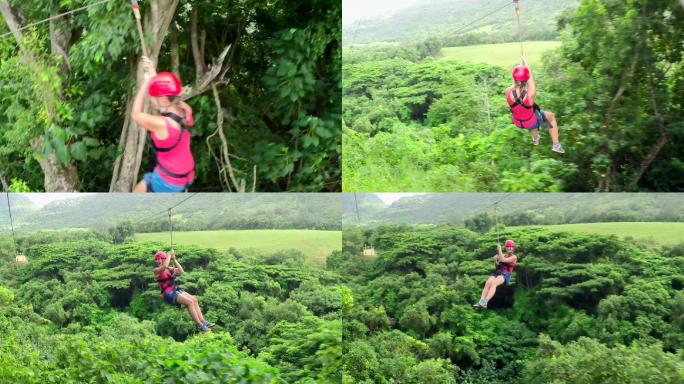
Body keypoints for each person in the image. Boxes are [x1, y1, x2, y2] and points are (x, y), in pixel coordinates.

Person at [132, 56, 195, 192]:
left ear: (164, 99)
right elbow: (166, 101)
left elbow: (136, 115)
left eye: (152, 96)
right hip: (186, 174)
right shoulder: (186, 110)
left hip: (169, 180)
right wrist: (152, 73)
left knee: (137, 194)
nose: (151, 99)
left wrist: (144, 85)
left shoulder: (162, 124)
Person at [506, 56, 565, 153]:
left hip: (517, 122)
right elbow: (531, 79)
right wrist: (525, 64)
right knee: (550, 117)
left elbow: (517, 84)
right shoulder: (530, 94)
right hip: (530, 120)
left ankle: (536, 139)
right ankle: (556, 145)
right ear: (526, 78)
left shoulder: (507, 91)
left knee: (531, 116)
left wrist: (520, 70)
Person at [154, 249, 214, 332]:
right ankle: (200, 325)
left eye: (160, 258)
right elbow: (163, 267)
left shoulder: (168, 268)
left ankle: (203, 322)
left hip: (174, 289)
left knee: (194, 299)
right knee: (189, 302)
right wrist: (169, 255)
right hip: (168, 293)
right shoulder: (157, 270)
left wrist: (174, 259)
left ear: (164, 259)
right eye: (157, 259)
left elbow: (181, 271)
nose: (158, 261)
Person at [474, 239, 518, 309]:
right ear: (506, 248)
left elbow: (504, 260)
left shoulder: (514, 257)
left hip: (505, 274)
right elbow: (498, 266)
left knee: (494, 283)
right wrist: (495, 261)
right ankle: (481, 301)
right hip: (498, 272)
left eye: (511, 247)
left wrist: (499, 250)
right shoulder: (503, 255)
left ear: (513, 248)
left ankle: (485, 302)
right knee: (488, 283)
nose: (510, 248)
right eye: (508, 246)